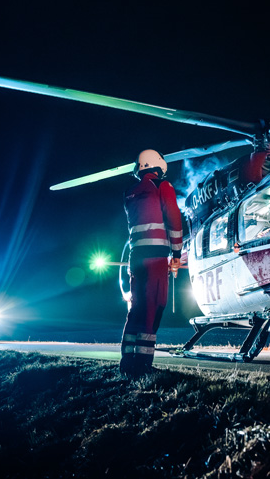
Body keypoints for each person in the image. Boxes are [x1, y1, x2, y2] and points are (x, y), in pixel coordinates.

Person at [120, 149, 183, 377]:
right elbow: (173, 219)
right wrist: (177, 251)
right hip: (156, 257)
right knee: (154, 306)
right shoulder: (162, 187)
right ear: (158, 165)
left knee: (136, 309)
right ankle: (143, 365)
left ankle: (127, 361)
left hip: (135, 257)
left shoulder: (130, 192)